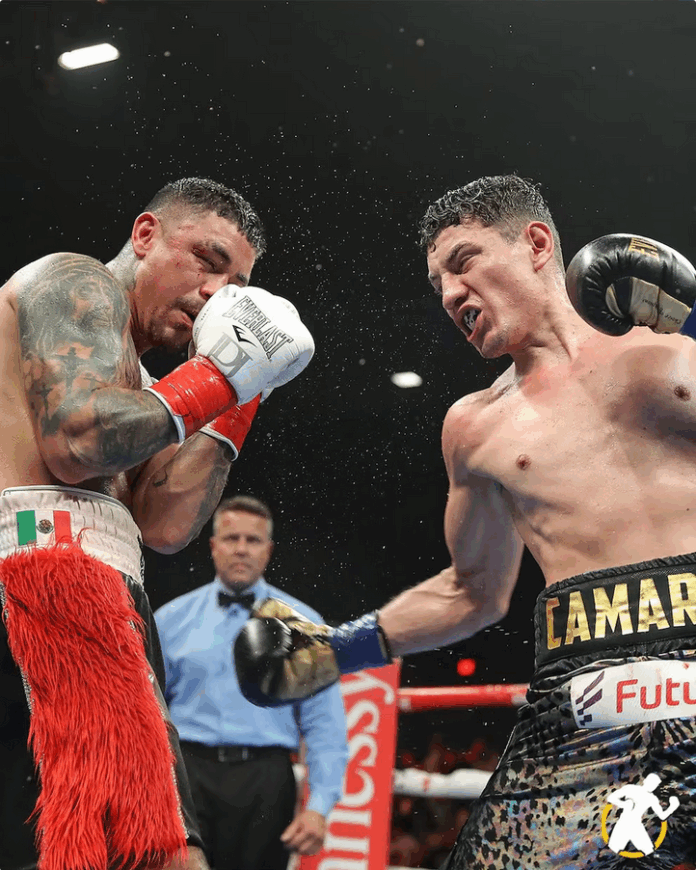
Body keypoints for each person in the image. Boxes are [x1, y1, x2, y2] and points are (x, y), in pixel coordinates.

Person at [235, 175, 696, 868]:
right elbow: (472, 590)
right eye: (438, 284)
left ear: (536, 244)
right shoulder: (475, 427)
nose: (451, 293)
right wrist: (337, 650)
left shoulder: (669, 349)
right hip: (590, 699)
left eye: (464, 262)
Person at [0, 177, 314, 870]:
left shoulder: (143, 388)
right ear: (146, 235)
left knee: (152, 846)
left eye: (236, 285)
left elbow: (166, 524)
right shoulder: (74, 282)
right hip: (41, 578)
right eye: (207, 259)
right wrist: (219, 377)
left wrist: (242, 392)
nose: (216, 292)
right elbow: (77, 441)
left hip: (107, 600)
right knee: (144, 852)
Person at [155, 495, 348, 870]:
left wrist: (319, 807)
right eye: (232, 538)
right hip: (186, 776)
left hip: (266, 782)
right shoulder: (170, 619)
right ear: (213, 546)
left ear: (268, 550)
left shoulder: (303, 624)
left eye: (253, 540)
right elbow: (147, 715)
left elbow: (324, 723)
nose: (241, 549)